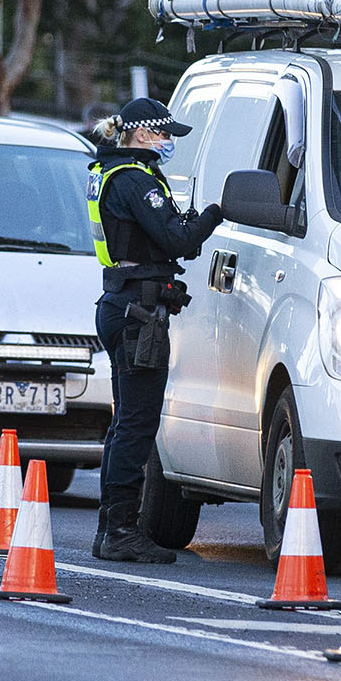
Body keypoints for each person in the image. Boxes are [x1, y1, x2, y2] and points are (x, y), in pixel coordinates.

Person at [85, 97, 223, 563]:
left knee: (125, 423)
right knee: (137, 425)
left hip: (122, 303)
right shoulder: (133, 180)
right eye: (164, 135)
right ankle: (120, 530)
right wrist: (214, 214)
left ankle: (112, 528)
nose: (168, 144)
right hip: (136, 312)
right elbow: (178, 240)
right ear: (143, 135)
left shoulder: (111, 172)